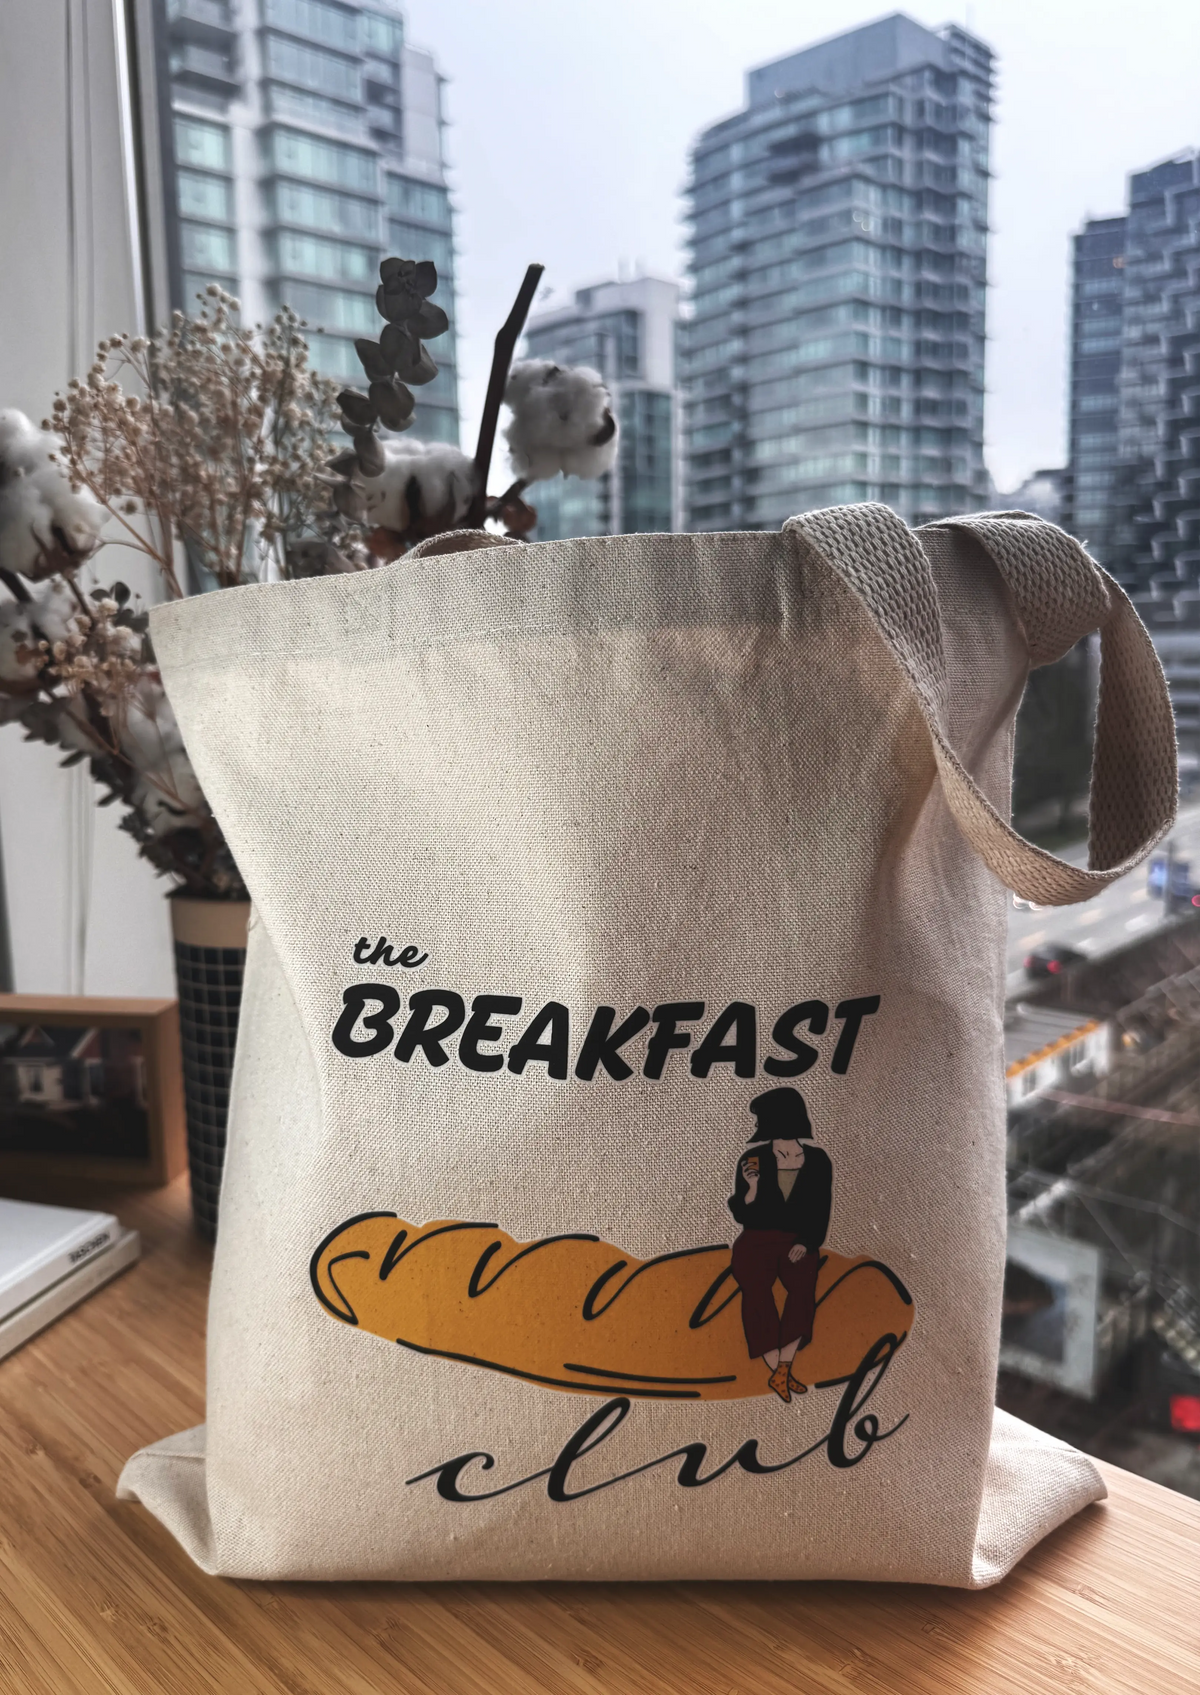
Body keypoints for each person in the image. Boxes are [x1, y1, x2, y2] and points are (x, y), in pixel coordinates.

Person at [727, 1087, 833, 1403]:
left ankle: (782, 1370)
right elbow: (742, 1214)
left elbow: (820, 1209)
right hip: (756, 1241)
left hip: (798, 1241)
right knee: (756, 1296)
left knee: (802, 1295)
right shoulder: (753, 1160)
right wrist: (751, 1188)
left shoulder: (818, 1161)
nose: (758, 1125)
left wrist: (807, 1241)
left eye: (762, 1118)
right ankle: (780, 1372)